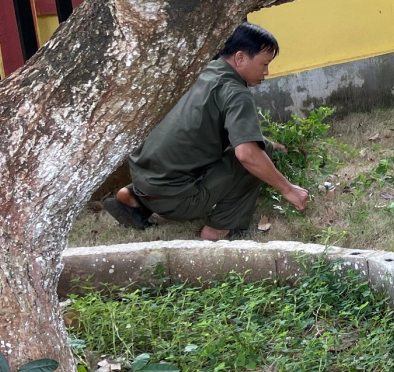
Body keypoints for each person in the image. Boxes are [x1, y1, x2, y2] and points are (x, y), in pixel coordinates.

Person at [102, 23, 309, 240]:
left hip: (143, 177)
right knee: (257, 155)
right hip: (176, 201)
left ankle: (131, 197)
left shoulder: (201, 72)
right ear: (240, 58)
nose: (266, 72)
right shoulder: (236, 93)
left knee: (258, 146)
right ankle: (220, 229)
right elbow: (247, 155)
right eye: (264, 64)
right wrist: (288, 189)